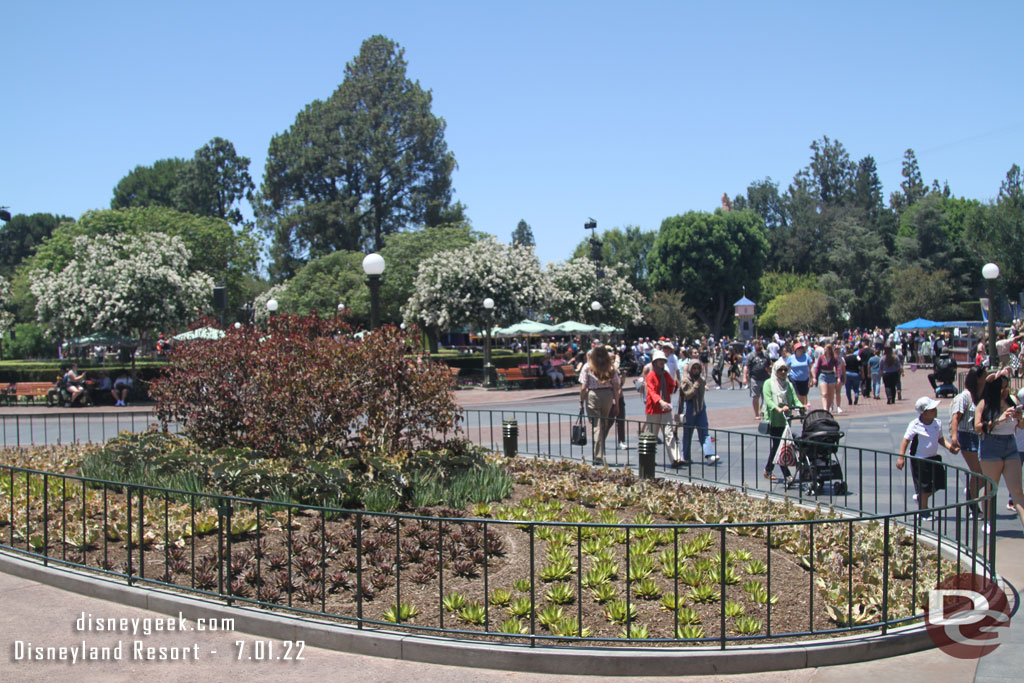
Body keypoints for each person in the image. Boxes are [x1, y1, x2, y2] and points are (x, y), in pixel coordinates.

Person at [973, 371, 1024, 529]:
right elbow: (977, 428)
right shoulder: (985, 404)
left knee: (1016, 489)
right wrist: (998, 420)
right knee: (991, 487)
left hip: (1010, 444)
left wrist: (1020, 417)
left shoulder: (1012, 401)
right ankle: (988, 520)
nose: (1006, 391)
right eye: (1002, 388)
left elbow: (1021, 426)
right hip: (991, 446)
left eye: (1007, 387)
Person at [897, 397, 959, 522]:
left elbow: (940, 439)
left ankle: (921, 498)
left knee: (938, 483)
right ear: (924, 413)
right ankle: (923, 510)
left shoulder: (937, 423)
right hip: (919, 459)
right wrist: (901, 458)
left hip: (933, 457)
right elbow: (905, 441)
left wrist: (950, 447)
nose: (935, 411)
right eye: (932, 409)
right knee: (924, 486)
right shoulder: (915, 425)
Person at [950, 367, 986, 519]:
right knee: (979, 472)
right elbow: (956, 418)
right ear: (977, 378)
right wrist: (954, 437)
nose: (985, 378)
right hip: (967, 437)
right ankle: (972, 503)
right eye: (984, 375)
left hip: (979, 437)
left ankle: (971, 493)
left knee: (983, 474)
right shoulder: (964, 396)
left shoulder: (980, 395)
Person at [762, 359, 804, 484]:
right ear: (775, 370)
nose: (783, 372)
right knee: (780, 446)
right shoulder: (768, 383)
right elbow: (768, 400)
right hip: (774, 420)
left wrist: (801, 406)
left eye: (785, 369)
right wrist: (778, 408)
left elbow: (795, 399)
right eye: (780, 369)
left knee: (778, 447)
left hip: (786, 420)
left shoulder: (789, 384)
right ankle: (787, 475)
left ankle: (768, 469)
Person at [645, 350, 682, 466]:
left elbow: (671, 386)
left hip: (665, 409)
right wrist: (660, 401)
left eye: (663, 360)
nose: (661, 362)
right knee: (652, 436)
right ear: (655, 362)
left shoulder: (665, 374)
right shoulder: (650, 375)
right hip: (654, 409)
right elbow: (651, 391)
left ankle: (675, 458)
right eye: (659, 360)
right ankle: (648, 460)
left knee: (669, 434)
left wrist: (674, 385)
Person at [679, 358, 718, 466]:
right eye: (694, 368)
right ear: (690, 369)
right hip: (690, 408)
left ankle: (709, 455)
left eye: (698, 368)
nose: (696, 370)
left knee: (704, 432)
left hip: (700, 408)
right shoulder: (685, 380)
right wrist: (696, 385)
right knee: (688, 434)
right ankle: (685, 456)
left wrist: (701, 383)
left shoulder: (702, 380)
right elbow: (687, 395)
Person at [743, 339, 772, 420]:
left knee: (765, 397)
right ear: (754, 345)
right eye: (757, 344)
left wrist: (770, 371)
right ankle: (756, 413)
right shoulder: (751, 355)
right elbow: (746, 367)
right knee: (756, 397)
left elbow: (769, 365)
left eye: (759, 343)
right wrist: (744, 377)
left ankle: (762, 410)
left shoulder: (765, 355)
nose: (759, 345)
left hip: (765, 378)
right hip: (755, 378)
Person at [811, 344, 842, 413]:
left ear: (830, 350)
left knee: (831, 394)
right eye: (825, 349)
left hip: (831, 375)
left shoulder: (833, 358)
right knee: (824, 393)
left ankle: (828, 407)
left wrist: (839, 377)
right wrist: (815, 377)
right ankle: (825, 409)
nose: (825, 350)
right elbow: (818, 368)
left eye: (827, 349)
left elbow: (838, 368)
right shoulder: (821, 358)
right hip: (823, 375)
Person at [786, 341, 813, 406]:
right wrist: (785, 377)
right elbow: (786, 368)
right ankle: (799, 407)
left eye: (801, 348)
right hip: (794, 378)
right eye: (798, 349)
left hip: (804, 379)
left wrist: (813, 378)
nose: (800, 350)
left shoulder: (807, 357)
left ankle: (803, 407)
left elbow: (811, 367)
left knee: (804, 394)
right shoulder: (791, 358)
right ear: (795, 350)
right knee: (797, 394)